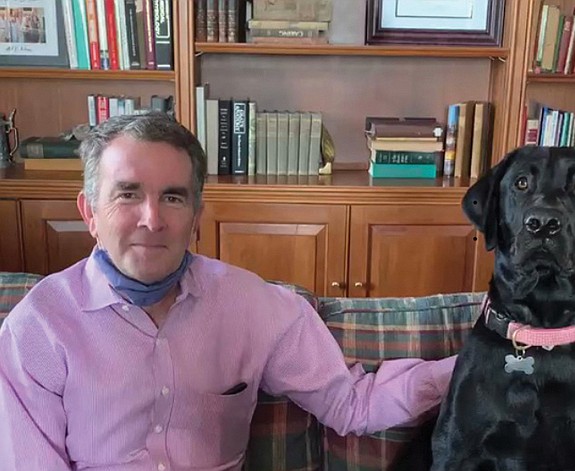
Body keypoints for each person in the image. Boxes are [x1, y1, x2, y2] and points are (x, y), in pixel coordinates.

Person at [0, 112, 456, 470]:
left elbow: (352, 404)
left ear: (197, 217)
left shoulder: (252, 306)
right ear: (90, 212)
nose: (152, 219)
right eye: (128, 194)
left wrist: (483, 362)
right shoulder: (38, 329)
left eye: (173, 198)